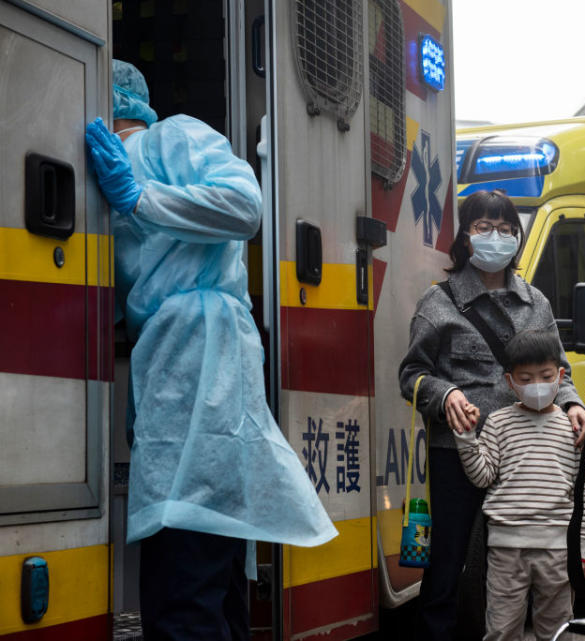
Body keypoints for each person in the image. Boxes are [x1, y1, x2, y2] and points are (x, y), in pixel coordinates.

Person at [85, 60, 337, 641]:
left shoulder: (171, 136)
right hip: (174, 359)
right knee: (211, 574)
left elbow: (244, 208)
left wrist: (140, 197)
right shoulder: (102, 179)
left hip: (204, 352)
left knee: (185, 584)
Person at [399, 189, 585, 641]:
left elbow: (557, 370)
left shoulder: (536, 304)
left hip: (524, 455)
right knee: (447, 562)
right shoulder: (439, 303)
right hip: (457, 452)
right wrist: (445, 395)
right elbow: (411, 375)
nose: (497, 237)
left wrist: (573, 403)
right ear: (466, 237)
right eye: (485, 227)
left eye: (507, 230)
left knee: (514, 568)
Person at [454, 329, 585, 641]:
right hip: (506, 550)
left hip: (559, 552)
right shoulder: (498, 423)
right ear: (510, 382)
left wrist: (583, 550)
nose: (536, 385)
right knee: (502, 630)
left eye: (545, 376)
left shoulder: (574, 427)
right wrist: (466, 436)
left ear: (560, 374)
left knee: (556, 631)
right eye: (526, 378)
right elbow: (482, 475)